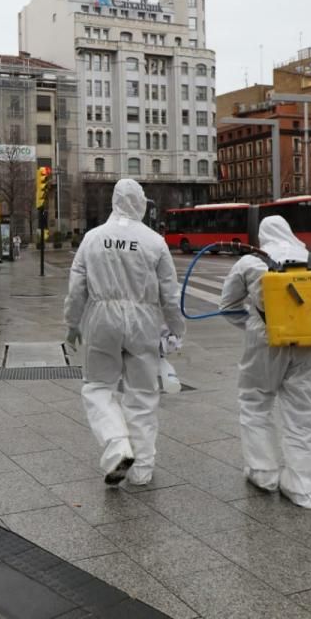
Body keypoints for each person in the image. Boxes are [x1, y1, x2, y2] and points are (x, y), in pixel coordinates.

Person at [65, 179, 184, 487]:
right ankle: (143, 469)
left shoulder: (93, 238)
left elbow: (77, 288)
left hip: (102, 317)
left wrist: (72, 323)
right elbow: (170, 293)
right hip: (143, 320)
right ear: (141, 203)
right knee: (143, 394)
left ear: (114, 201)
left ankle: (117, 445)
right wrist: (175, 329)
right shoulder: (154, 241)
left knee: (98, 387)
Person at [219, 215, 311, 510]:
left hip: (264, 342)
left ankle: (263, 473)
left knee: (255, 403)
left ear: (263, 238)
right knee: (304, 412)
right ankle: (302, 488)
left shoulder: (250, 263)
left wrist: (256, 325)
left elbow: (227, 307)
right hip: (309, 344)